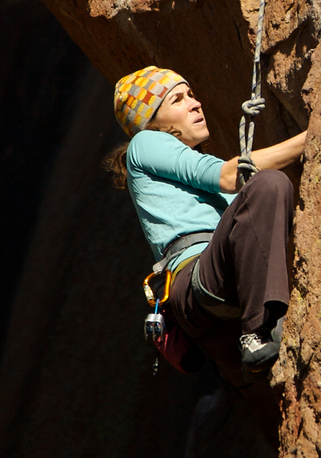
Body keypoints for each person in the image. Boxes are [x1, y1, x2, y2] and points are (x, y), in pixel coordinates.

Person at [107, 65, 306, 381]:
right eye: (177, 100)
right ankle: (259, 330)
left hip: (214, 308)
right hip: (198, 280)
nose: (195, 103)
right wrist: (313, 137)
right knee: (268, 185)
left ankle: (258, 335)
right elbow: (230, 176)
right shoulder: (144, 142)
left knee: (265, 192)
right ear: (152, 122)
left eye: (191, 94)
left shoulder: (188, 180)